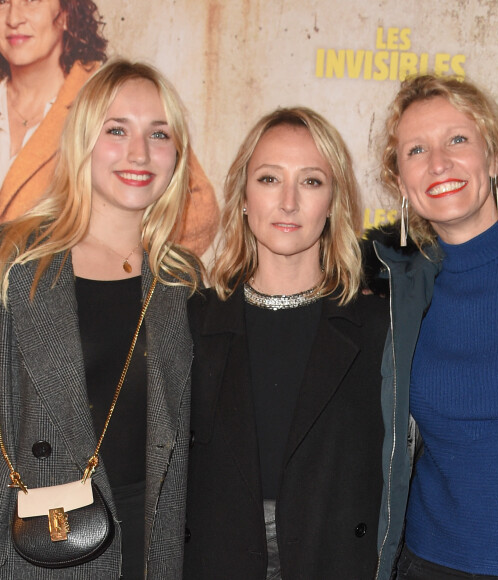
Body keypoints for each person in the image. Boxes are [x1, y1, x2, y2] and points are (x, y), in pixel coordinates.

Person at [370, 74, 498, 580]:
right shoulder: (397, 294)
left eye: (457, 140)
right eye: (416, 150)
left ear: (493, 156)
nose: (438, 163)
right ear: (401, 182)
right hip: (424, 564)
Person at [0, 58, 200, 578]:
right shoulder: (15, 264)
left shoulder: (184, 280)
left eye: (159, 133)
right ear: (83, 140)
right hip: (42, 542)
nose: (140, 153)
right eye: (117, 130)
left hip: (155, 544)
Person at [184, 107, 388, 578]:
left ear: (334, 200)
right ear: (242, 196)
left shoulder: (380, 327)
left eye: (312, 181)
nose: (289, 202)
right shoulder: (192, 323)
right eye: (270, 179)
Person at [0, 0, 219, 256]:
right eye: (3, 2)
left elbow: (201, 209)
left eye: (30, 1)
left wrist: (120, 274)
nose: (14, 18)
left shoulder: (109, 92)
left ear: (66, 13)